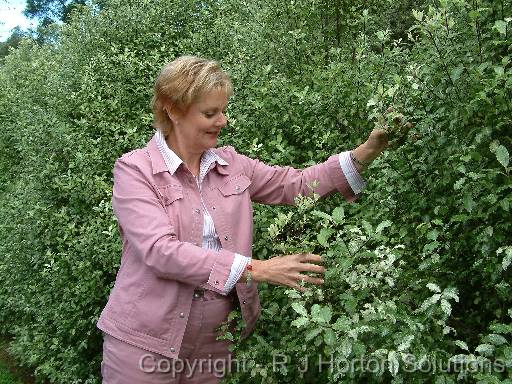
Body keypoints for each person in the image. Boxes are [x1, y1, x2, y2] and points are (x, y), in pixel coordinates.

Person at [97, 55, 389, 383]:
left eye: (223, 110)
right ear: (172, 109)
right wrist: (258, 269)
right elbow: (161, 251)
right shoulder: (136, 170)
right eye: (210, 113)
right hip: (143, 341)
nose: (222, 121)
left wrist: (368, 150)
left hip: (215, 341)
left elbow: (298, 185)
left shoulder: (232, 164)